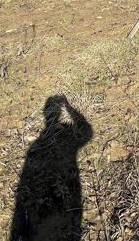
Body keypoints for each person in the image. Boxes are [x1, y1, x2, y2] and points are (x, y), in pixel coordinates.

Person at [10, 95, 92, 241]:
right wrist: (68, 107)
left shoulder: (36, 145)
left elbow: (86, 134)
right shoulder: (39, 144)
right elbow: (86, 133)